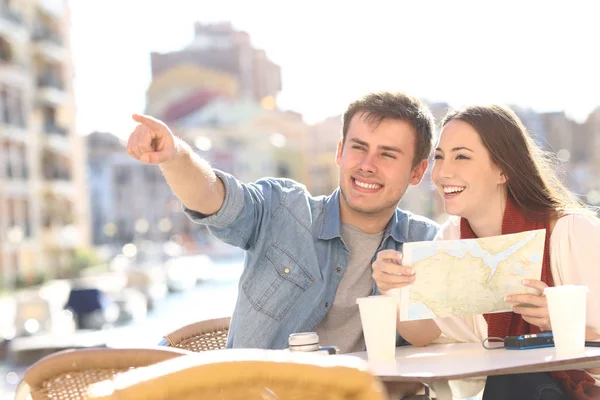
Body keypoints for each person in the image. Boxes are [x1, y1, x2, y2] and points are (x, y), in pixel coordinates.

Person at [125, 91, 439, 354]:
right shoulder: (282, 208)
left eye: (387, 155)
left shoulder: (425, 242)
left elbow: (442, 339)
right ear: (340, 152)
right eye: (358, 147)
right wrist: (176, 155)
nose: (367, 166)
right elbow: (214, 199)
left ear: (416, 171)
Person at [373, 105, 600, 399]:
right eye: (439, 157)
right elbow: (423, 333)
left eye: (462, 156)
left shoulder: (572, 233)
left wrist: (562, 323)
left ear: (503, 169)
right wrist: (394, 289)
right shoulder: (450, 240)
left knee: (509, 383)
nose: (443, 172)